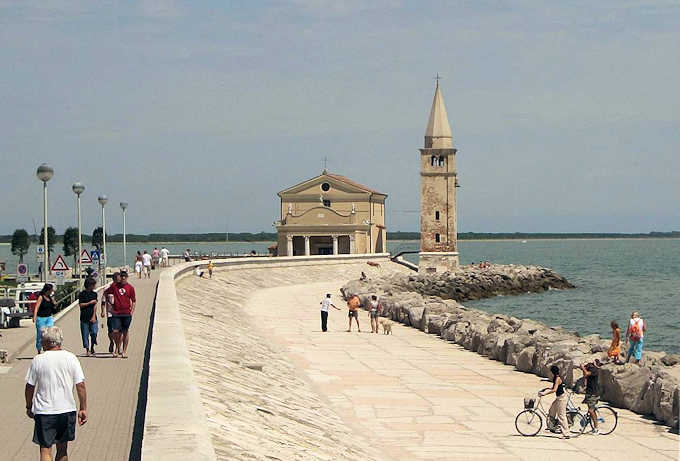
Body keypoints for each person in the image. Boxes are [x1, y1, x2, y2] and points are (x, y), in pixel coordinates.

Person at [24, 326, 87, 461]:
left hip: (44, 411)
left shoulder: (38, 360)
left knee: (45, 449)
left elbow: (30, 386)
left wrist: (29, 406)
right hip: (66, 409)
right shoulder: (71, 358)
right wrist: (83, 408)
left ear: (46, 342)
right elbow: (80, 385)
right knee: (62, 449)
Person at [103, 271, 136, 358]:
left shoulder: (130, 288)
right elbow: (106, 293)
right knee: (115, 332)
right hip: (116, 313)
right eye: (122, 276)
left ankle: (124, 351)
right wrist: (110, 304)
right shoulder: (114, 286)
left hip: (126, 313)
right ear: (120, 277)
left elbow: (134, 301)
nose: (123, 278)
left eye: (125, 276)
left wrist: (132, 312)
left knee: (125, 332)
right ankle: (117, 347)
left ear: (127, 277)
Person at [539, 365, 570, 439]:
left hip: (562, 398)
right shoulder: (555, 378)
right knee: (551, 411)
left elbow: (554, 390)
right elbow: (553, 388)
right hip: (558, 398)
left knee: (561, 416)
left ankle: (566, 433)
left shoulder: (557, 379)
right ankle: (553, 426)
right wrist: (546, 389)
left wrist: (545, 393)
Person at [579, 360, 602, 435]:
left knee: (591, 410)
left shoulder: (595, 370)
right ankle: (588, 426)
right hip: (589, 393)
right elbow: (585, 375)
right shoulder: (592, 369)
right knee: (589, 411)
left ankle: (596, 428)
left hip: (593, 393)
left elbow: (586, 373)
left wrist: (583, 367)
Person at [32, 284, 56, 354]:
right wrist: (34, 317)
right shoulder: (41, 297)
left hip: (49, 317)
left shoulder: (50, 298)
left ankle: (48, 348)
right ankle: (39, 349)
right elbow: (37, 307)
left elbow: (52, 307)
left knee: (49, 333)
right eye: (51, 290)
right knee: (40, 335)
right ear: (48, 290)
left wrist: (54, 303)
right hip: (41, 318)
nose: (52, 291)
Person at [78, 278, 98, 356]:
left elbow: (95, 305)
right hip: (84, 318)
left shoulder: (94, 294)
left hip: (93, 317)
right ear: (89, 285)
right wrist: (89, 303)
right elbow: (80, 305)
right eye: (93, 285)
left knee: (94, 332)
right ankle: (87, 349)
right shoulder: (82, 294)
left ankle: (92, 346)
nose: (94, 286)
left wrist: (94, 316)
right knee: (85, 334)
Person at [100, 272, 120, 354]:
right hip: (110, 313)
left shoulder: (121, 287)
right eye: (118, 280)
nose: (119, 281)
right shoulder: (108, 289)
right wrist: (102, 311)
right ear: (114, 279)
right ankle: (112, 342)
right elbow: (103, 301)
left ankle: (118, 346)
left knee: (118, 331)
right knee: (111, 330)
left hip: (119, 312)